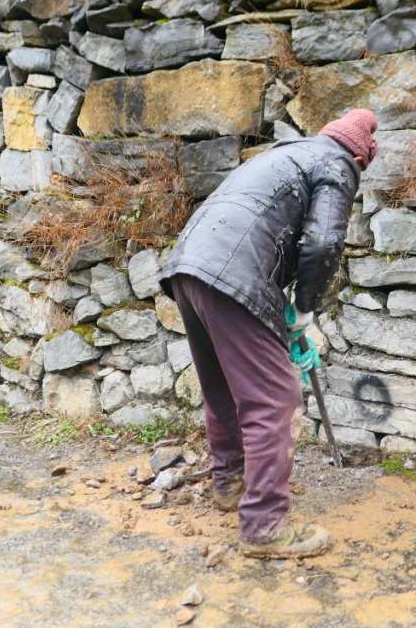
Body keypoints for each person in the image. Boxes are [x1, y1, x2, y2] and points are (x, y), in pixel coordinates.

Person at [159, 109, 379, 559]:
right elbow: (322, 244)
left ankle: (230, 484)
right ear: (361, 157)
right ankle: (264, 526)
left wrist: (285, 314)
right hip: (230, 271)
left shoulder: (286, 154)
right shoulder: (338, 164)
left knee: (222, 388)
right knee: (274, 398)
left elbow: (255, 232)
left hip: (189, 265)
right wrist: (303, 311)